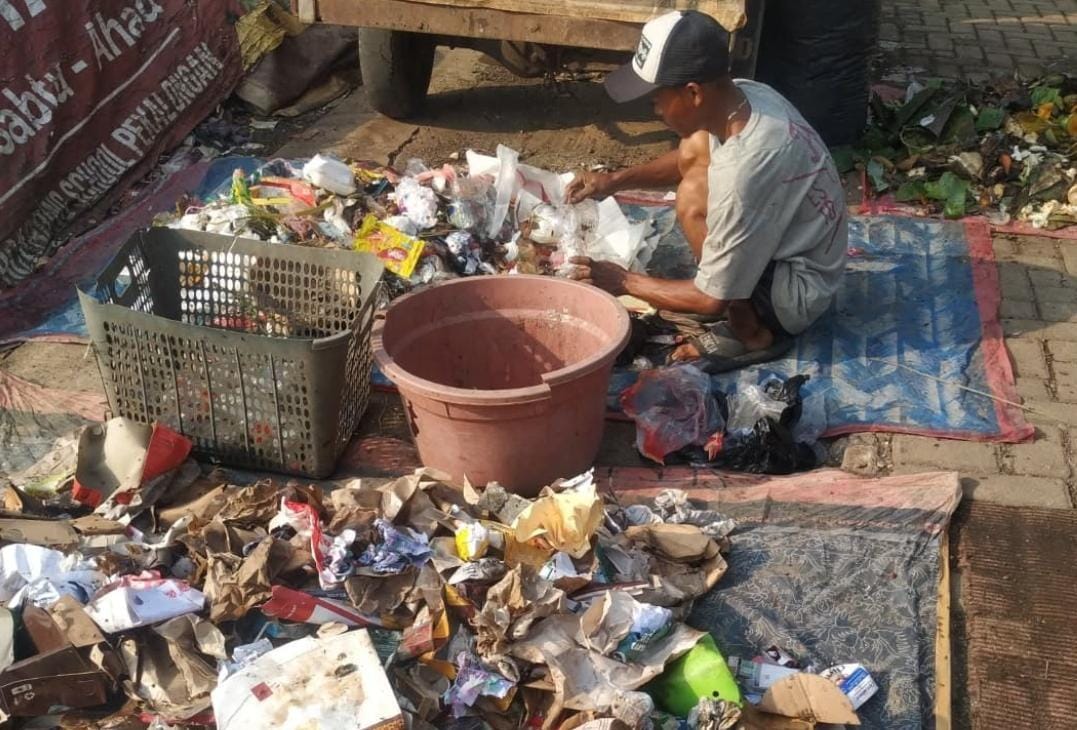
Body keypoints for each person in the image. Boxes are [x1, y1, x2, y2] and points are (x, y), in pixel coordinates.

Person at [565, 10, 847, 372]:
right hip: (806, 245)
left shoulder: (743, 171)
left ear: (693, 93)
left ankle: (750, 332)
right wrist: (614, 181)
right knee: (697, 145)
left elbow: (711, 299)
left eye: (656, 97)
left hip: (796, 292)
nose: (653, 108)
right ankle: (741, 295)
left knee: (692, 201)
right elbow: (690, 158)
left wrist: (622, 280)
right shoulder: (746, 96)